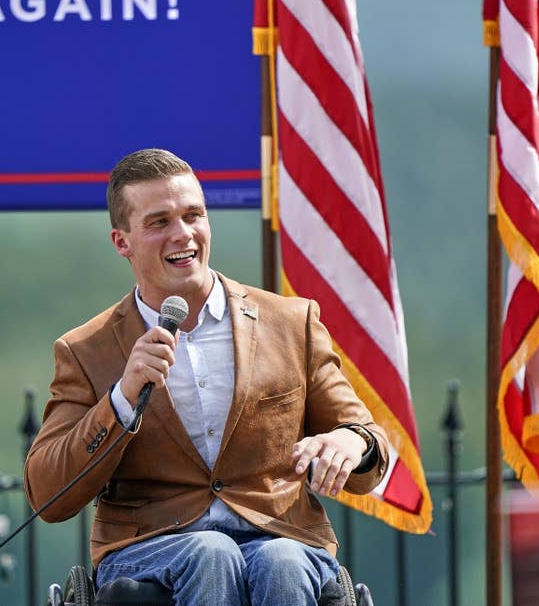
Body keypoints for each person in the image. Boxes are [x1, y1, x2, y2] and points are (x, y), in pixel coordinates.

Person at [24, 148, 389, 606]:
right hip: (150, 547)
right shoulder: (85, 350)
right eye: (159, 222)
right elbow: (47, 494)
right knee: (211, 552)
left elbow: (367, 438)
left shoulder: (292, 322)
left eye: (193, 215)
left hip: (281, 537)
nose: (183, 234)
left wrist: (352, 443)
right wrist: (121, 398)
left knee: (282, 563)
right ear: (122, 241)